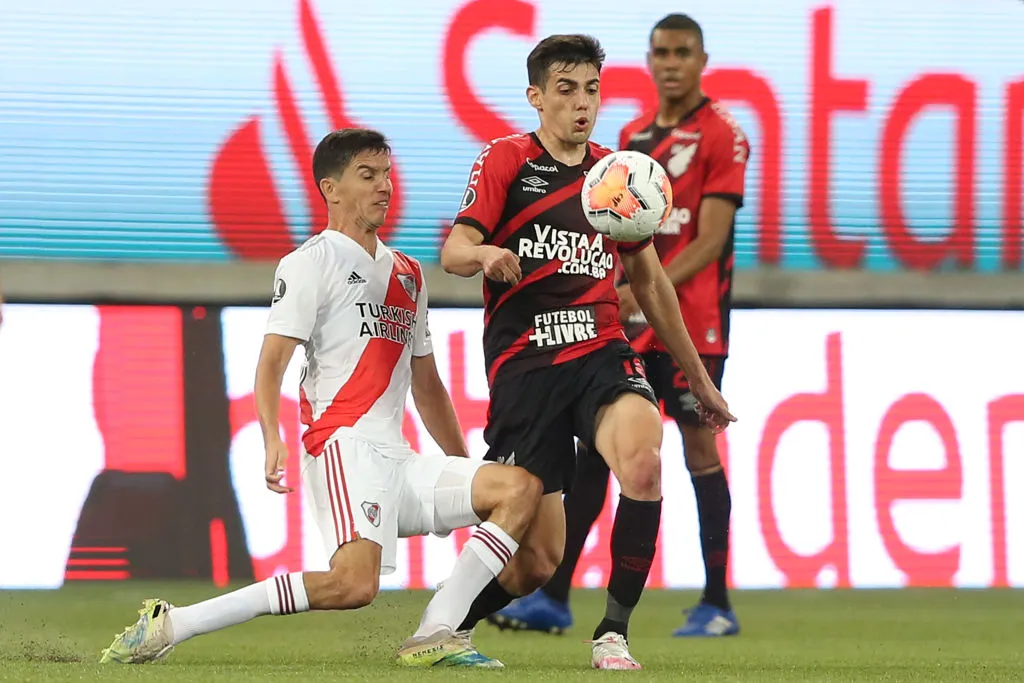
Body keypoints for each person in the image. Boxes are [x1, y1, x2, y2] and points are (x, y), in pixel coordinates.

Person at [99, 128, 542, 669]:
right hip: (343, 447)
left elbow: (427, 386)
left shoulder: (409, 273)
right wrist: (271, 435)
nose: (385, 186)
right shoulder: (311, 262)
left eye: (387, 174)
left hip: (397, 458)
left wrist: (462, 462)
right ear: (330, 189)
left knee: (517, 489)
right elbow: (271, 362)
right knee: (352, 586)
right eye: (368, 175)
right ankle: (176, 622)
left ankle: (436, 631)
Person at [439, 34, 736, 670]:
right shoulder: (506, 161)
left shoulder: (614, 175)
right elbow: (453, 251)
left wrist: (699, 382)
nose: (582, 103)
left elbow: (651, 283)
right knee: (536, 565)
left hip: (602, 351)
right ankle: (446, 624)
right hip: (527, 365)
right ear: (536, 97)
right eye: (567, 89)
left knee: (644, 463)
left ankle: (612, 634)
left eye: (593, 89)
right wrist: (485, 254)